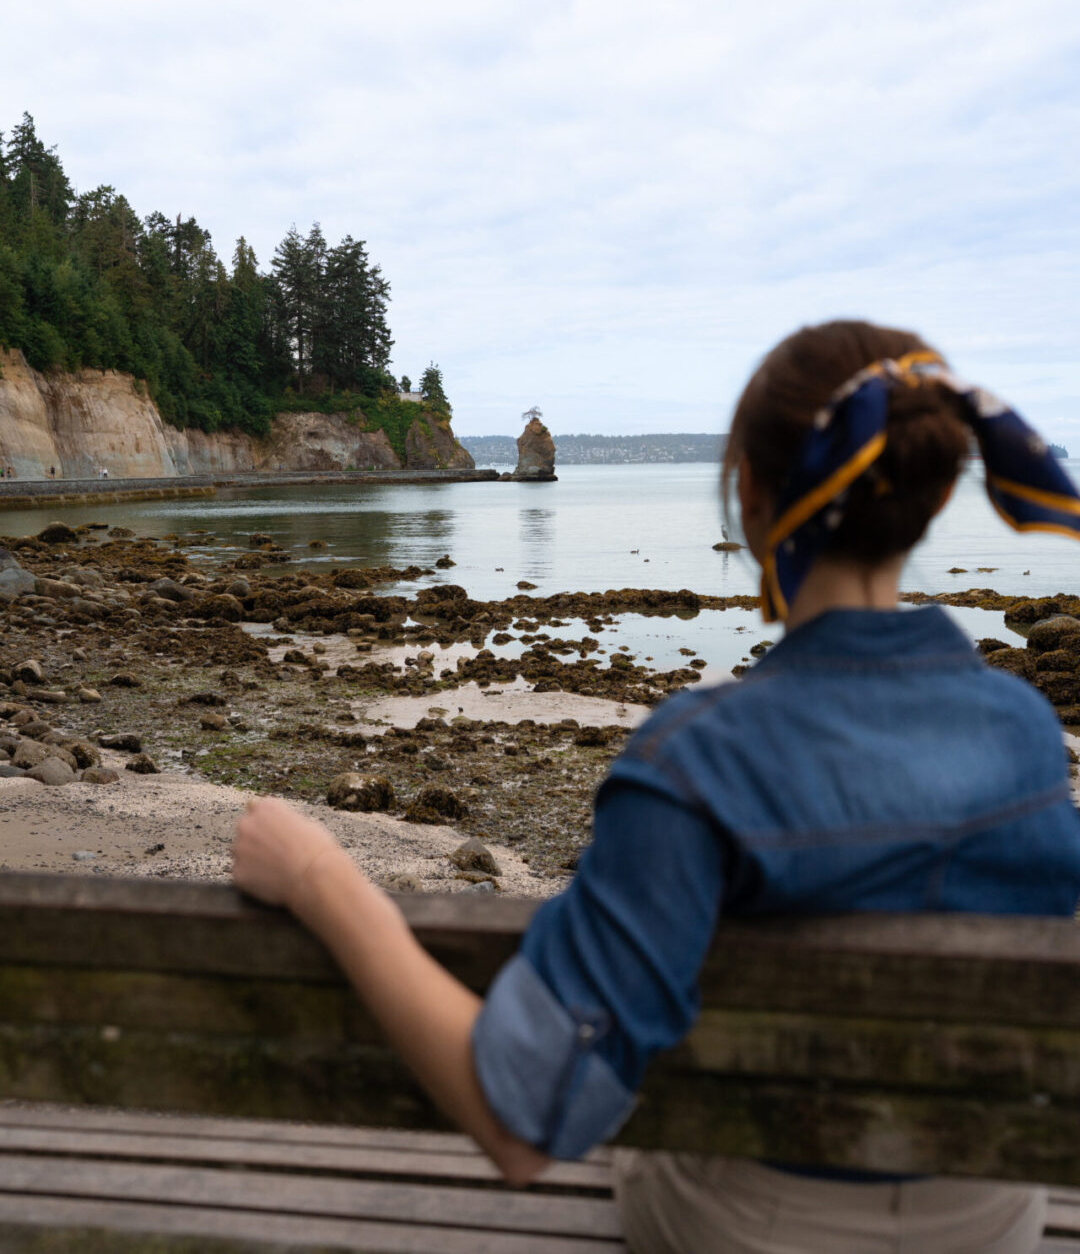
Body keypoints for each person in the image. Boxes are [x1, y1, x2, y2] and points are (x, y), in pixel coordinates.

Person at [233, 320, 1080, 1254]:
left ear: (750, 496)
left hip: (754, 1228)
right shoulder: (1027, 736)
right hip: (992, 1220)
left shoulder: (698, 759)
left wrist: (320, 876)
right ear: (922, 504)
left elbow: (519, 1129)